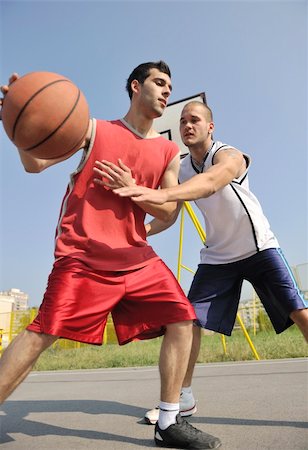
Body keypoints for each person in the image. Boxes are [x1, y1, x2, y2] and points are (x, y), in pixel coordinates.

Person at [0, 65, 222, 449]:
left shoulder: (168, 151)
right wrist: (16, 121)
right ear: (136, 87)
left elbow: (169, 213)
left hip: (135, 257)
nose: (167, 91)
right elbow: (33, 164)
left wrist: (133, 189)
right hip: (83, 255)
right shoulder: (92, 129)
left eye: (171, 86)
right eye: (159, 83)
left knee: (182, 319)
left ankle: (168, 422)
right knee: (42, 333)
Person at [106, 100, 308, 425]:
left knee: (300, 314)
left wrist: (146, 191)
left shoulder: (229, 155)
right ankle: (182, 400)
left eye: (194, 120)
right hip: (217, 257)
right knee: (187, 322)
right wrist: (139, 231)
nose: (187, 125)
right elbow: (170, 216)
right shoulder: (182, 167)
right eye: (183, 120)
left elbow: (212, 182)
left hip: (259, 248)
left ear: (210, 126)